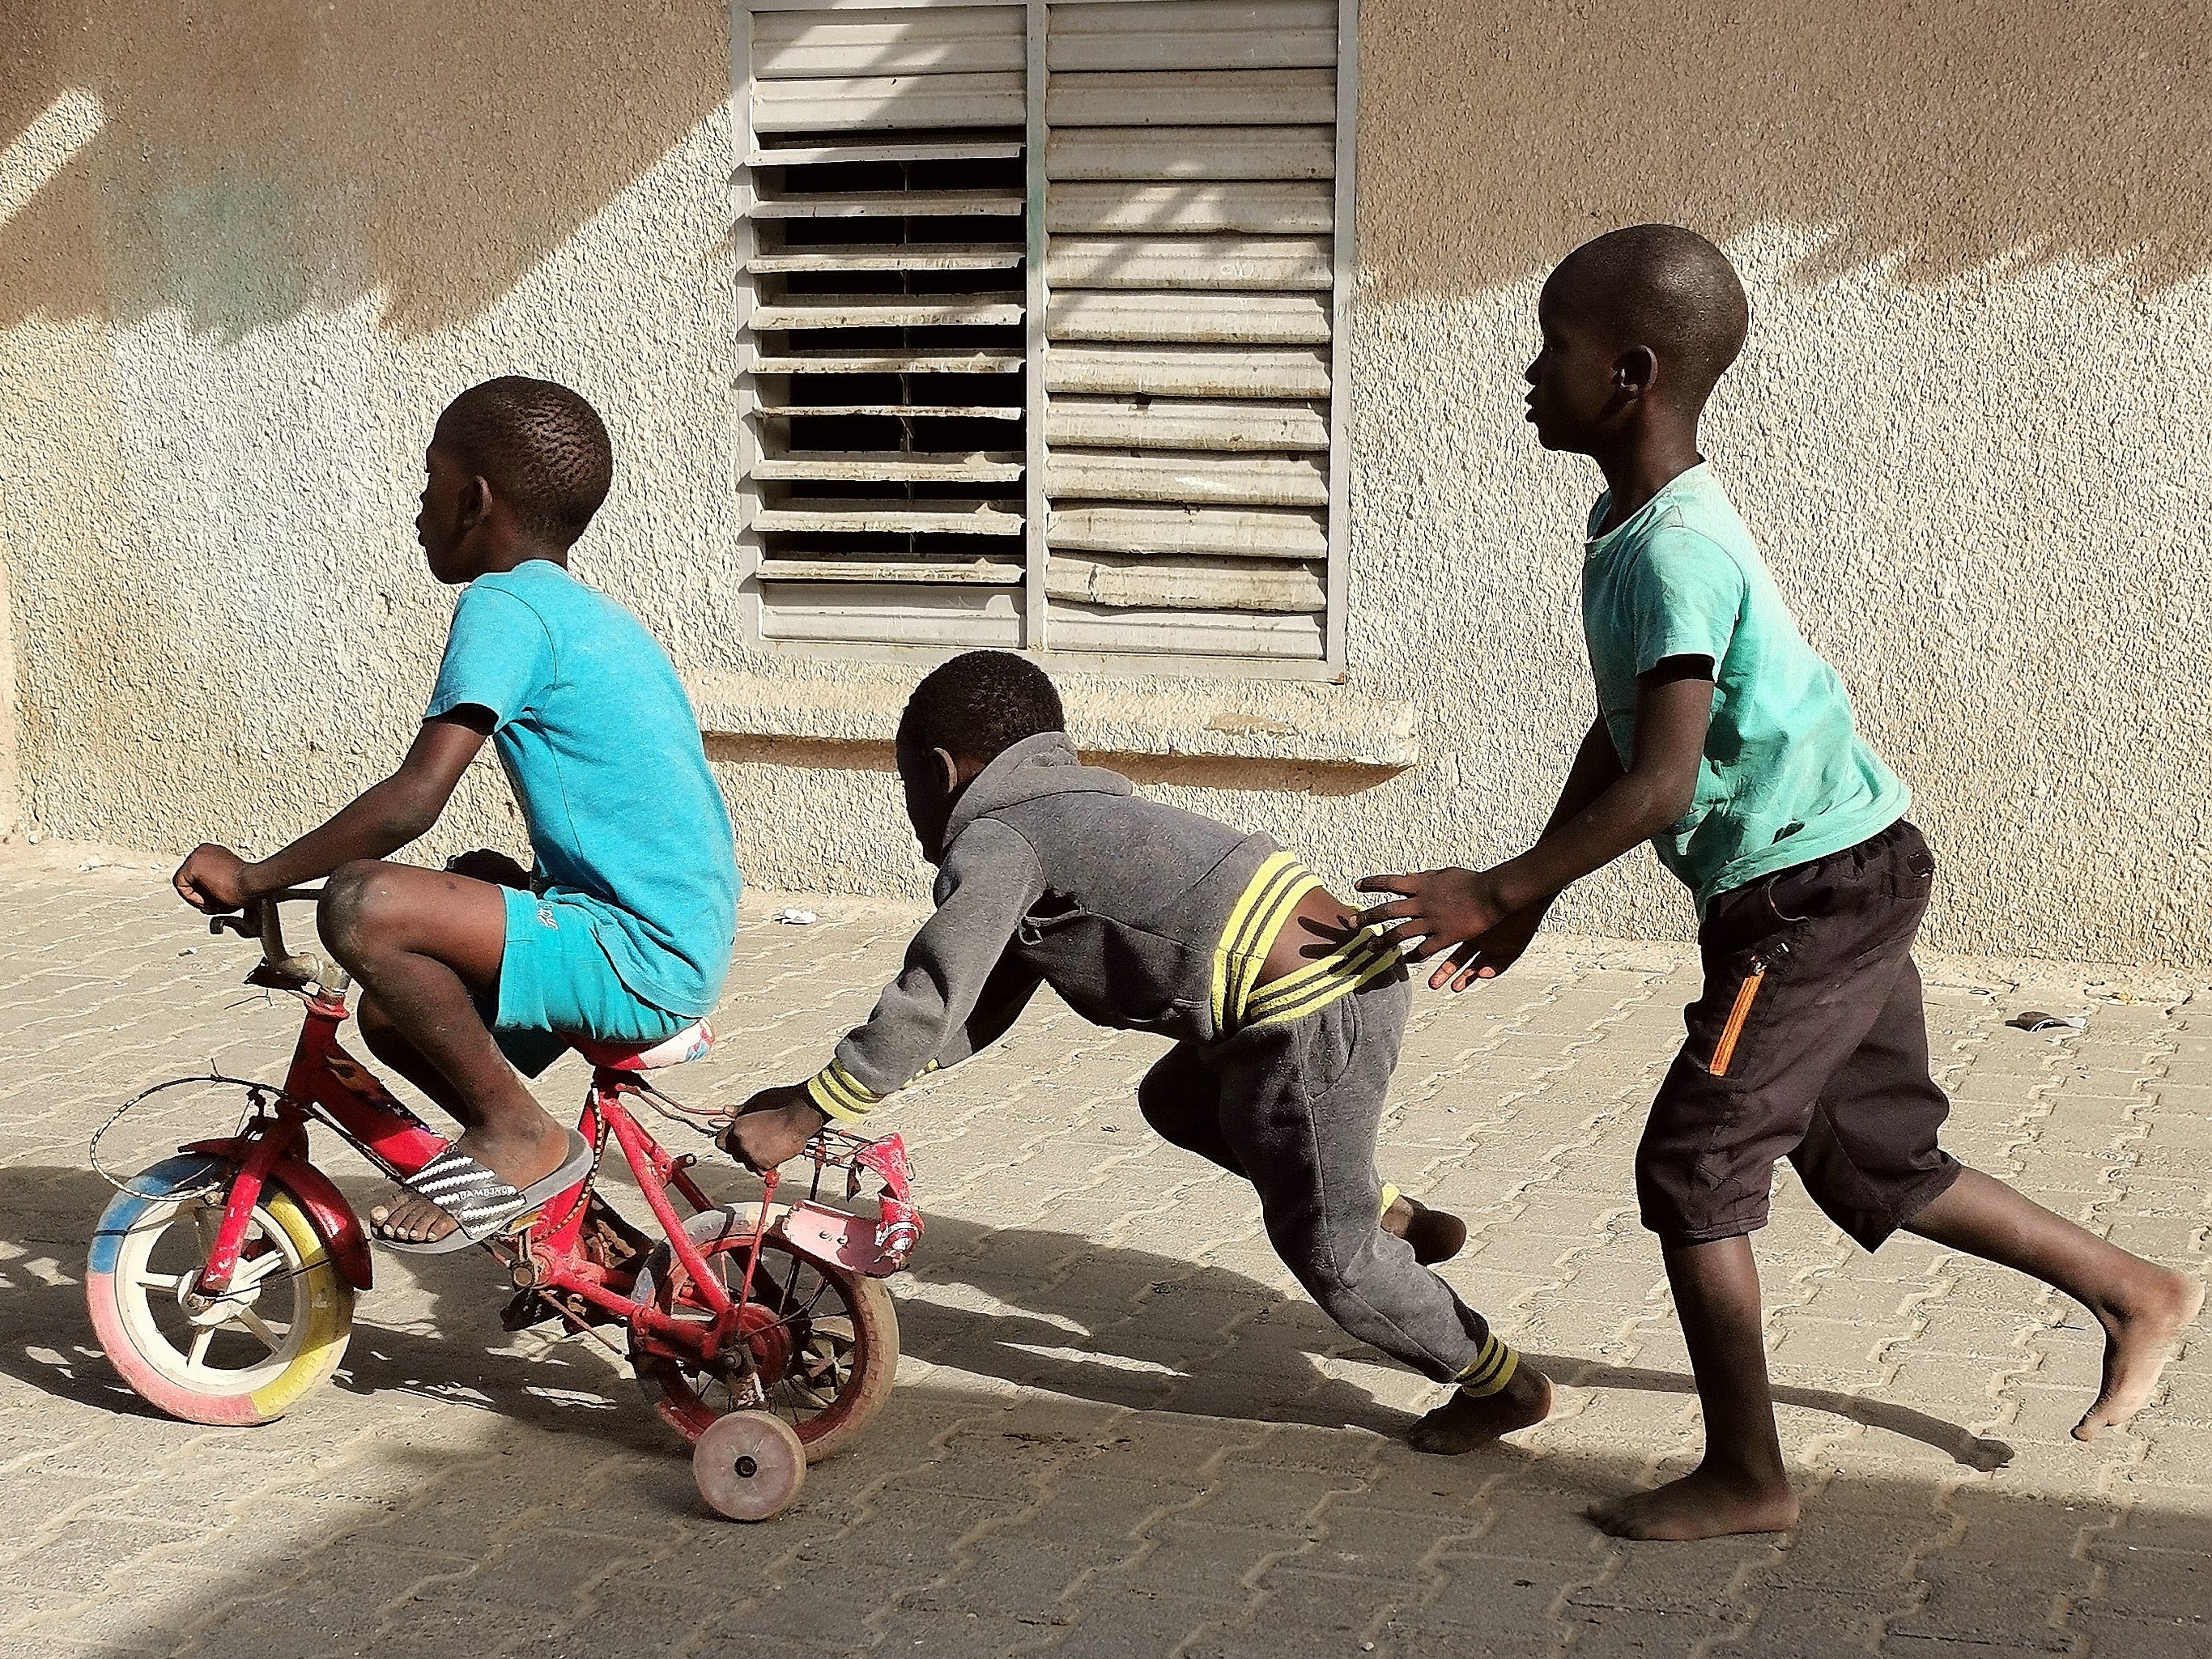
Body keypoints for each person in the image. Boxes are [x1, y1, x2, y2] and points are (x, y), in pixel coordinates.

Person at [1355, 224, 2203, 1538]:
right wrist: (1527, 896)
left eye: (1551, 348)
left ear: (1629, 373)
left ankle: (1747, 1474)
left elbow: (1666, 784)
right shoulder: (1628, 521)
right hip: (1838, 872)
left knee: (1694, 1165)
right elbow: (1624, 730)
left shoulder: (1674, 549)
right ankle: (2137, 1288)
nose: (1526, 373)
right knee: (1872, 1152)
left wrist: (1496, 883)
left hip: (1811, 900)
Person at [721, 650, 1552, 1450]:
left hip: (1305, 1017)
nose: (913, 818)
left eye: (908, 790)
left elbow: (931, 995)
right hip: (1329, 987)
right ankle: (1387, 1210)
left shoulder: (1001, 839)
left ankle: (1495, 1383)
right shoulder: (1072, 812)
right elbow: (976, 1005)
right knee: (1179, 1100)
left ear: (940, 772)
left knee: (1333, 1260)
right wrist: (820, 1089)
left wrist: (803, 1116)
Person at [174, 376, 739, 1252]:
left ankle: (517, 1136)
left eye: (427, 482)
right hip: (671, 939)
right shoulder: (583, 612)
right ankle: (568, 1221)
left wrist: (258, 876)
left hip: (637, 956)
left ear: (473, 501)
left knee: (366, 904)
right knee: (400, 1007)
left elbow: (414, 799)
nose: (417, 505)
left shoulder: (502, 605)